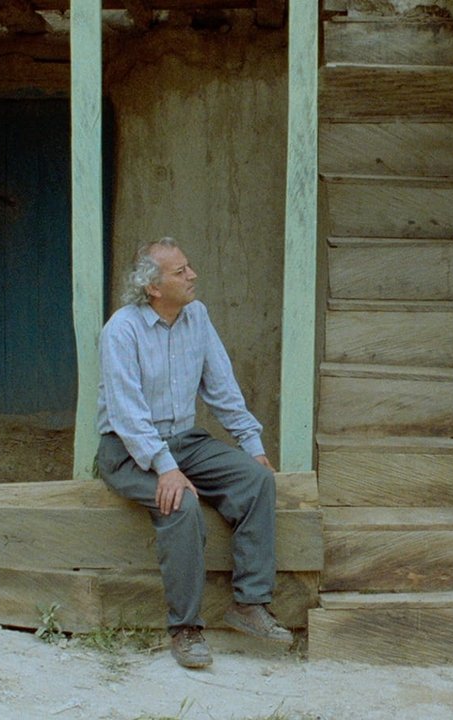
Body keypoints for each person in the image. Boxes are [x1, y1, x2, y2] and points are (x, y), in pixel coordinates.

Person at [95, 237, 292, 669]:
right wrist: (166, 469)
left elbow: (222, 389)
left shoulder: (196, 317)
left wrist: (251, 445)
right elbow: (127, 417)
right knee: (180, 504)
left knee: (256, 480)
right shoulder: (121, 330)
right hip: (128, 450)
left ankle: (250, 604)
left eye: (189, 266)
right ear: (153, 287)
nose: (192, 275)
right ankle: (185, 629)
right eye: (180, 271)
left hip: (183, 440)